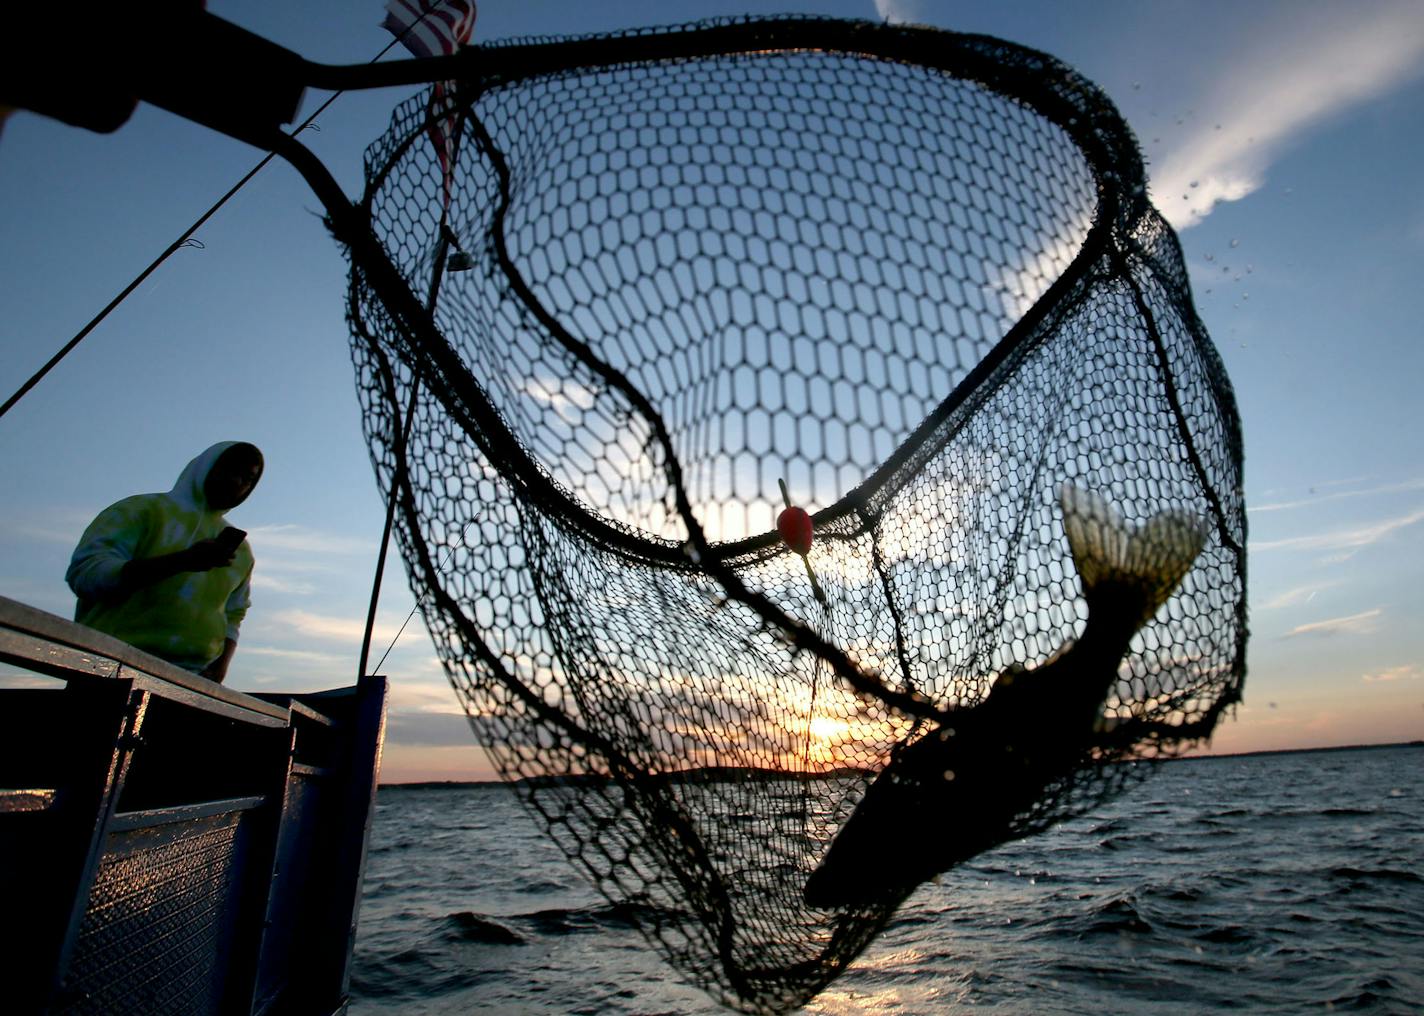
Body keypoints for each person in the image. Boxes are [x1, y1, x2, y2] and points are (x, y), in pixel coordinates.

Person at [66, 441, 263, 683]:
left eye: (248, 478)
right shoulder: (140, 511)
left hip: (192, 681)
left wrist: (220, 667)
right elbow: (86, 575)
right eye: (232, 470)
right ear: (206, 466)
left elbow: (234, 613)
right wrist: (182, 561)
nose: (239, 482)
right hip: (108, 666)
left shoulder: (241, 552)